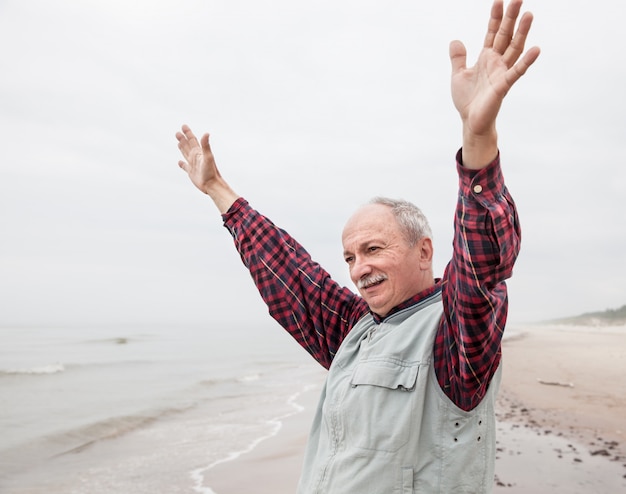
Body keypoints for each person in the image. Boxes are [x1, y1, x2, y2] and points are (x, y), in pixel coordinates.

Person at [175, 0, 540, 492]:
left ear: (424, 252)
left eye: (373, 249)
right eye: (350, 256)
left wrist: (478, 139)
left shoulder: (454, 337)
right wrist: (219, 191)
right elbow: (290, 275)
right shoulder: (355, 329)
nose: (358, 268)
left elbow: (482, 266)